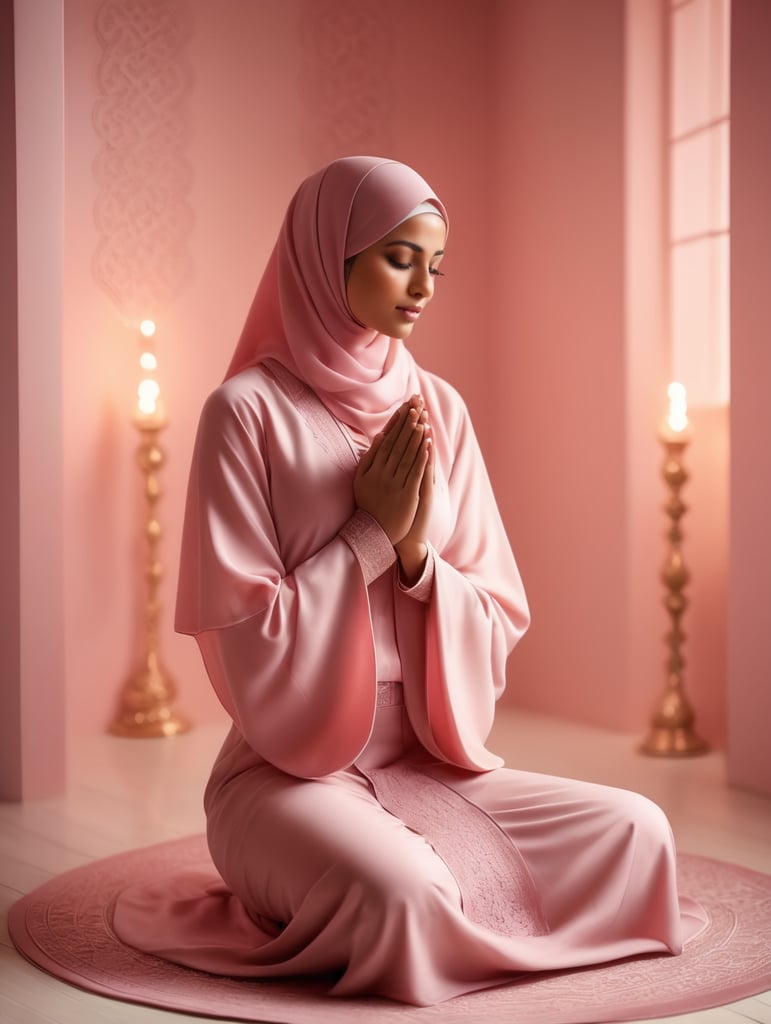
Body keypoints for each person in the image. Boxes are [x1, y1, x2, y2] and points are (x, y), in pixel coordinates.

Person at [113, 156, 706, 1006]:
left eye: (435, 265)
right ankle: (370, 881)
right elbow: (243, 635)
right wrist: (366, 536)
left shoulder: (441, 408)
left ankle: (450, 897)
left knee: (638, 832)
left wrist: (420, 560)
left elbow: (496, 604)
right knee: (405, 894)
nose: (423, 285)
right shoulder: (242, 413)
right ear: (327, 254)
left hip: (427, 758)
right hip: (288, 774)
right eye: (400, 258)